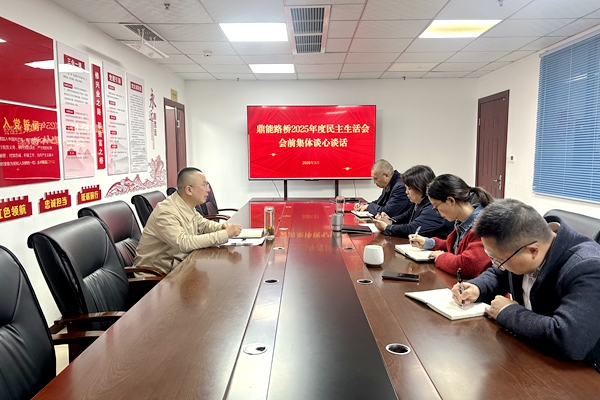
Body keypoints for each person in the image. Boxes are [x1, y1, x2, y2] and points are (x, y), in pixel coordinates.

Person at [452, 199, 600, 367]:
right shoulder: (523, 244)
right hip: (530, 349)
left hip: (580, 371)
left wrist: (507, 311)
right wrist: (477, 288)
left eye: (498, 260)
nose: (496, 264)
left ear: (533, 251)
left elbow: (568, 339)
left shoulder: (589, 267)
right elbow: (500, 273)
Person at [133, 167, 242, 275]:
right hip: (157, 277)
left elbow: (203, 224)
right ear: (189, 190)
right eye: (204, 185)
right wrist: (224, 234)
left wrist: (222, 227)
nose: (208, 190)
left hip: (180, 267)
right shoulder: (166, 211)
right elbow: (183, 243)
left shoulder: (185, 204)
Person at [409, 174, 493, 278]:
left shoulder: (484, 225)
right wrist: (428, 243)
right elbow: (455, 245)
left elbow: (466, 266)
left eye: (436, 207)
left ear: (450, 201)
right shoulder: (461, 221)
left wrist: (440, 257)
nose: (437, 212)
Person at [372, 165, 454, 239]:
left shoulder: (434, 207)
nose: (406, 192)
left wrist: (386, 227)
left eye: (409, 188)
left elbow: (412, 229)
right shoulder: (419, 202)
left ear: (420, 187)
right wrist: (389, 220)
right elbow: (406, 216)